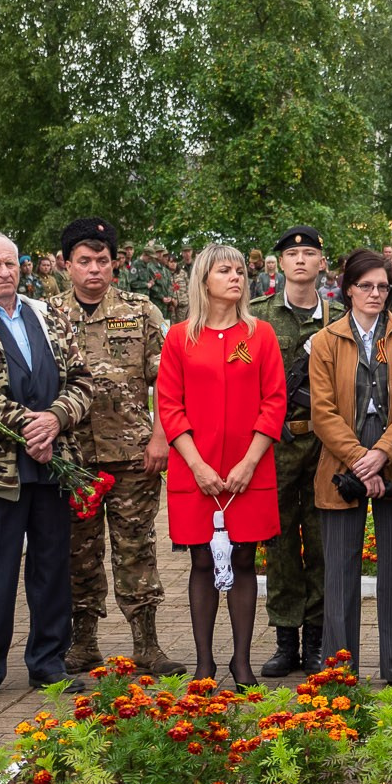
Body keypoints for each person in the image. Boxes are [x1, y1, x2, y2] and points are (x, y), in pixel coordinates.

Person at [0, 233, 96, 700]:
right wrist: (33, 428)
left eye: (10, 263)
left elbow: (82, 380)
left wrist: (55, 419)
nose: (5, 272)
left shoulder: (48, 315)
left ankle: (48, 662)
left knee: (51, 569)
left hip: (53, 466)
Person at [46, 217, 183, 676]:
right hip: (73, 460)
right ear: (67, 264)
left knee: (136, 549)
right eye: (84, 261)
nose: (94, 270)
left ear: (114, 263)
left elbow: (168, 380)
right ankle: (83, 643)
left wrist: (161, 437)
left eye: (102, 261)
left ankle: (147, 644)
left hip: (133, 456)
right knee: (78, 553)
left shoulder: (140, 310)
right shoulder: (47, 315)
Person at [158, 244, 285, 687]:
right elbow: (169, 406)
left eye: (240, 271)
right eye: (224, 270)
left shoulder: (260, 334)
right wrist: (197, 465)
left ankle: (242, 662)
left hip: (249, 470)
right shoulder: (179, 338)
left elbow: (274, 402)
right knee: (201, 561)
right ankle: (204, 663)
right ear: (203, 280)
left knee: (245, 558)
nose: (236, 277)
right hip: (196, 470)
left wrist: (249, 462)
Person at [310, 249, 392, 682]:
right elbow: (322, 413)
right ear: (348, 290)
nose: (375, 294)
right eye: (366, 286)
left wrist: (382, 454)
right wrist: (361, 460)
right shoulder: (326, 340)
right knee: (340, 572)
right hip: (342, 460)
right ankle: (340, 671)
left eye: (382, 287)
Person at [249, 225, 344, 677]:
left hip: (326, 446)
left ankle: (317, 640)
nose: (301, 260)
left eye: (309, 254)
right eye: (292, 254)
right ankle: (285, 639)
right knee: (280, 542)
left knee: (323, 541)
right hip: (276, 444)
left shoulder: (340, 316)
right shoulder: (257, 316)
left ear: (322, 263)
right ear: (280, 263)